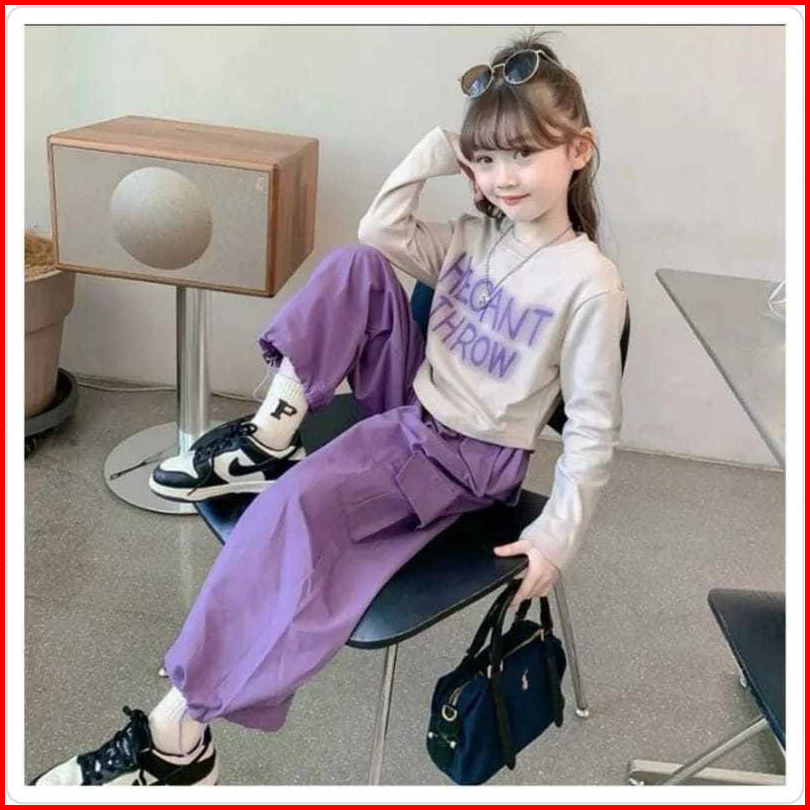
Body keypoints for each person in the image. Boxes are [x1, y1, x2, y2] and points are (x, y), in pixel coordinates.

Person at [31, 31, 627, 786]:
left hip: (466, 459)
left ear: (578, 150)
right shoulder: (475, 235)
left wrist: (556, 536)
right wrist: (435, 152)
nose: (502, 177)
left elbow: (594, 428)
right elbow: (379, 230)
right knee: (358, 265)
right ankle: (270, 436)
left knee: (288, 511)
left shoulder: (589, 284)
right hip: (412, 408)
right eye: (486, 158)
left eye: (524, 154)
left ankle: (176, 736)